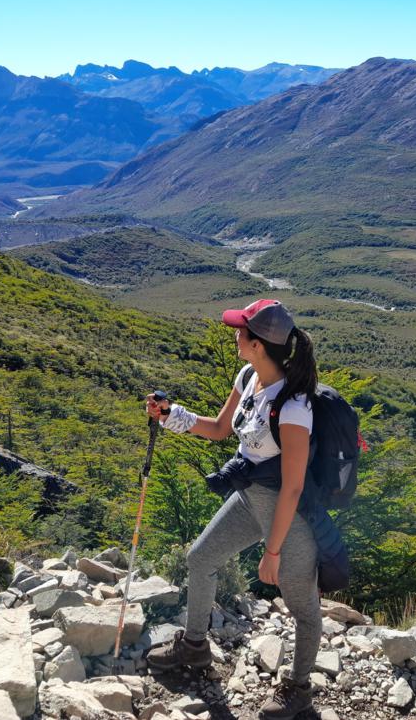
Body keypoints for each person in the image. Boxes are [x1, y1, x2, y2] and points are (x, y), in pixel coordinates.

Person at [144, 298, 322, 720]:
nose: (236, 336)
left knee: (302, 607)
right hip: (248, 499)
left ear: (259, 344)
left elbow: (294, 487)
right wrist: (172, 416)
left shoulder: (295, 407)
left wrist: (273, 550)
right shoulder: (248, 376)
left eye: (241, 331)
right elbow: (222, 429)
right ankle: (194, 647)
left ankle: (298, 689)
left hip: (289, 516)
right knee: (200, 558)